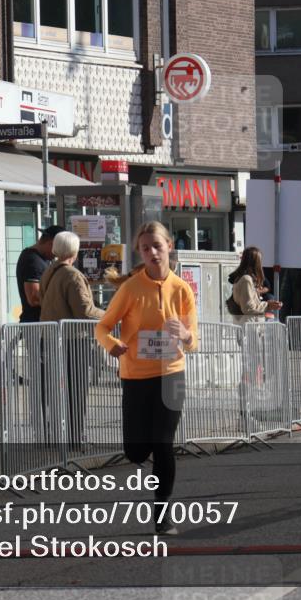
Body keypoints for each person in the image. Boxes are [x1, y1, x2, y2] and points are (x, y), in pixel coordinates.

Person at [95, 221, 198, 535]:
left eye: (157, 246)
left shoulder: (181, 289)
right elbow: (102, 327)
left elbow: (193, 341)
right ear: (140, 252)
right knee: (136, 452)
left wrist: (186, 335)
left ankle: (162, 516)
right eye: (145, 248)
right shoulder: (130, 289)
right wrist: (112, 344)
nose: (152, 252)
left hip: (171, 375)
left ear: (169, 246)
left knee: (164, 444)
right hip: (136, 376)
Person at [40, 231, 106, 448]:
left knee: (58, 391)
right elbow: (85, 312)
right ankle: (75, 438)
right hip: (74, 340)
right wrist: (110, 314)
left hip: (52, 337)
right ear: (75, 251)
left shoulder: (49, 272)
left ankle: (59, 437)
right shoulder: (73, 276)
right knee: (76, 391)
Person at [16, 225, 67, 323]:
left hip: (40, 322)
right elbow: (34, 298)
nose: (57, 254)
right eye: (59, 248)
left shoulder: (41, 259)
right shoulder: (32, 261)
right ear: (51, 243)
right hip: (36, 324)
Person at [228, 246, 282, 324]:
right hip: (249, 326)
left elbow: (250, 305)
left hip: (249, 325)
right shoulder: (246, 280)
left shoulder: (243, 278)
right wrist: (267, 305)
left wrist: (267, 304)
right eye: (260, 261)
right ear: (256, 263)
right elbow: (248, 308)